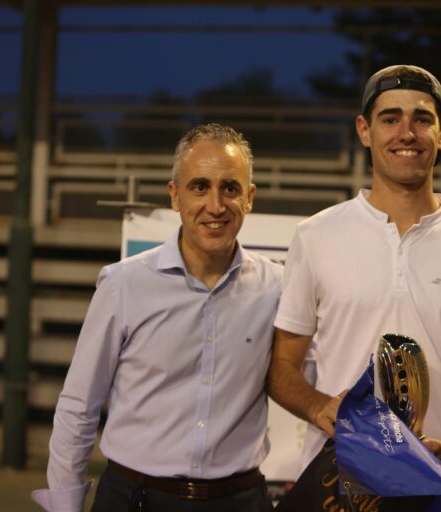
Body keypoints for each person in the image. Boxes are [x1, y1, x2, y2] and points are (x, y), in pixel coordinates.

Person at [267, 65, 441, 491]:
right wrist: (318, 407)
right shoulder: (314, 236)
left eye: (421, 119)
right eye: (390, 118)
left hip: (438, 484)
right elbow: (282, 367)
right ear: (364, 130)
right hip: (339, 485)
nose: (406, 133)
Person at [32, 123, 282, 512]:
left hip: (241, 500)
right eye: (199, 186)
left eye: (229, 188)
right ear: (174, 196)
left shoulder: (279, 287)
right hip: (133, 500)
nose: (215, 205)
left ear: (249, 197)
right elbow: (79, 406)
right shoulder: (123, 284)